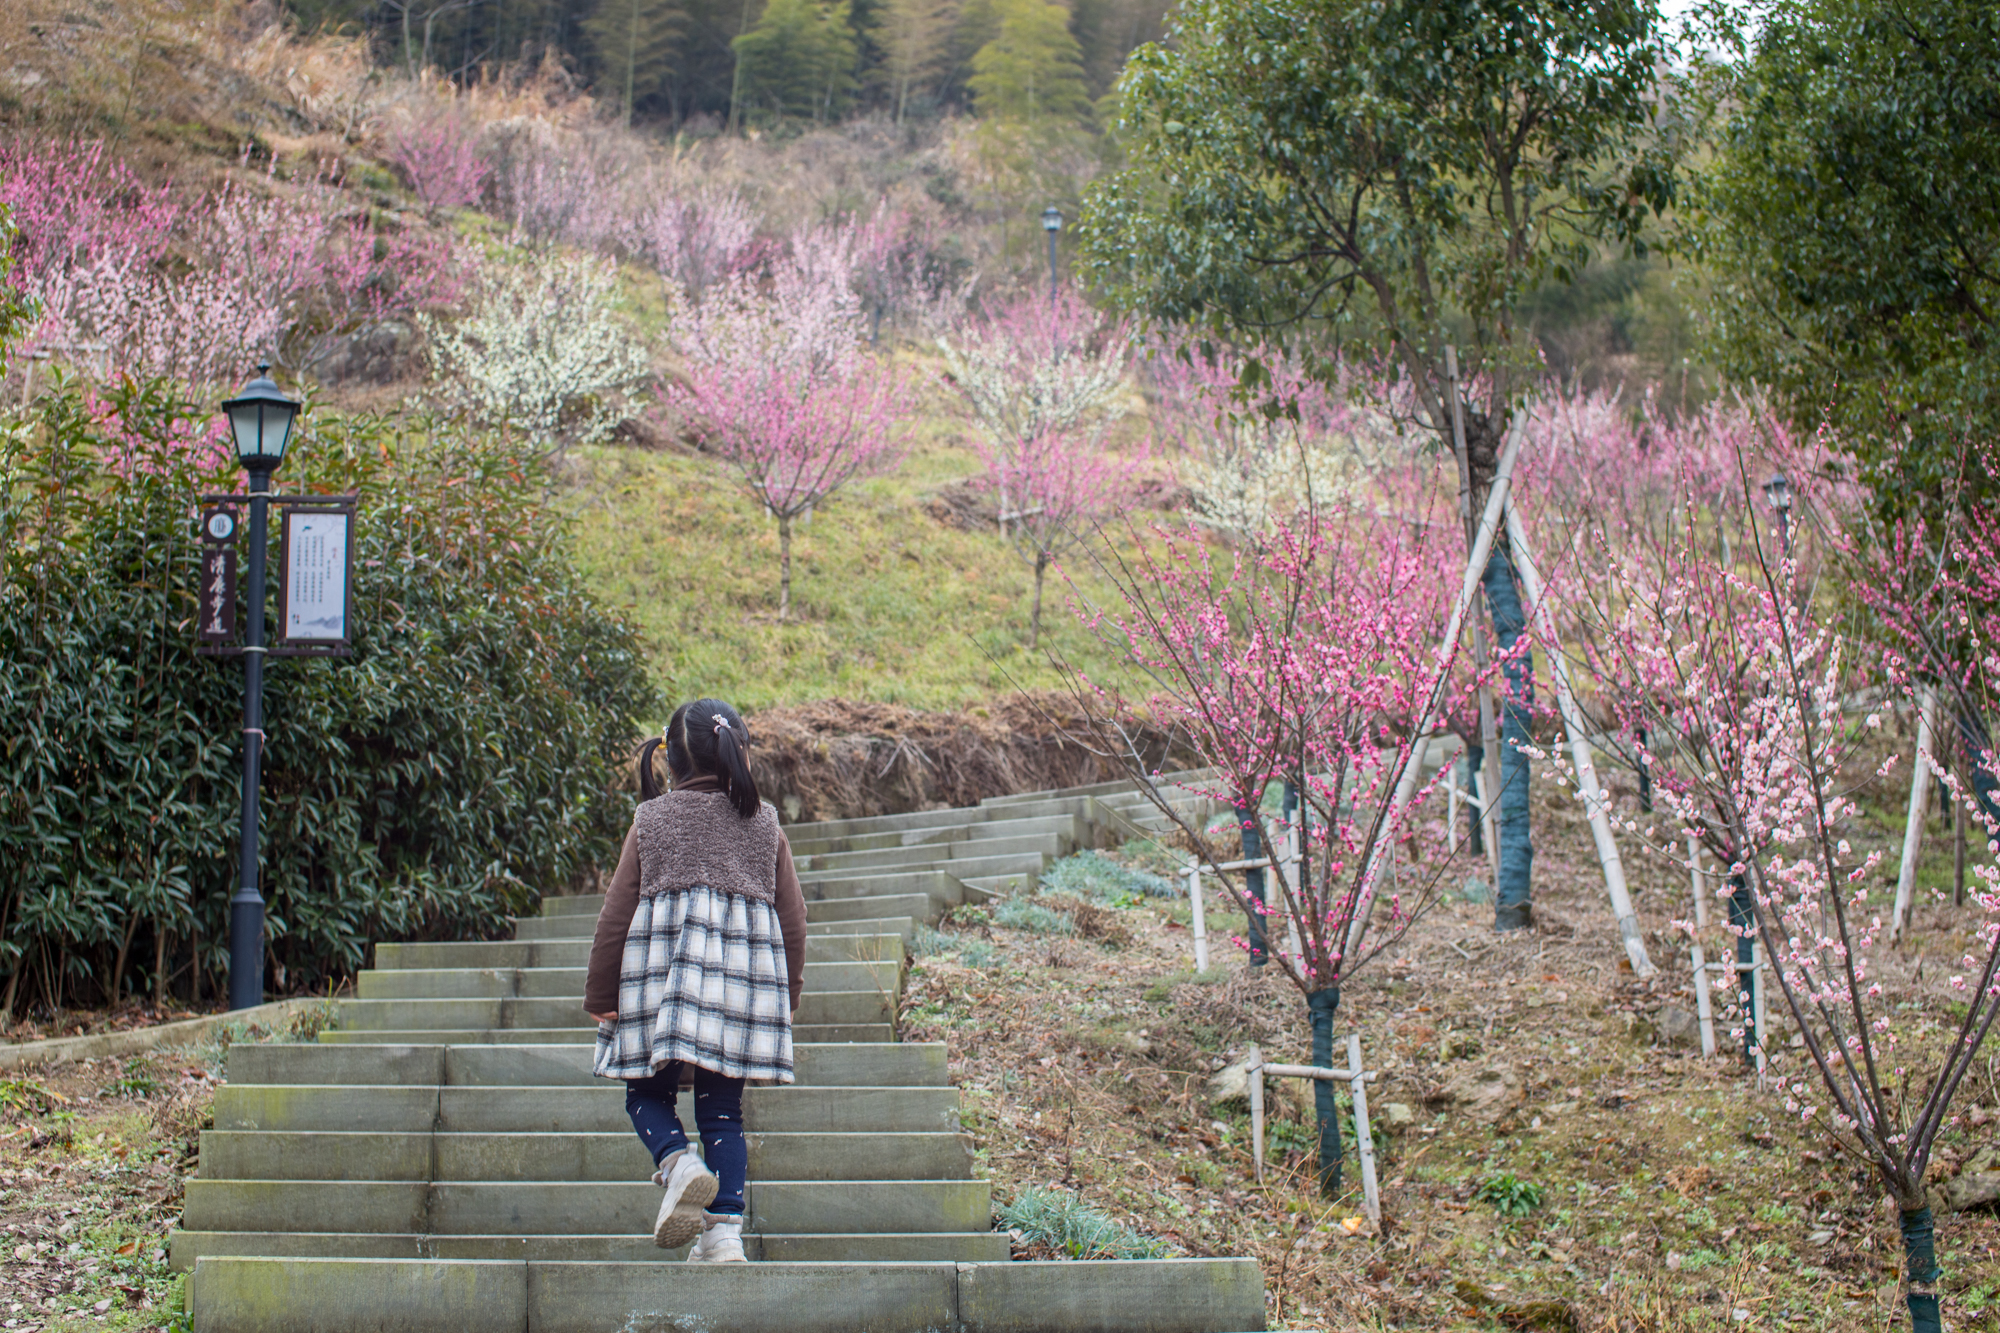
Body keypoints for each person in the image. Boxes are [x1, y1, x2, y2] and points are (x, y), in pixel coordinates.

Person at [584, 699, 807, 1262]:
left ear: (671, 762)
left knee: (644, 1096)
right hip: (740, 991)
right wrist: (789, 993)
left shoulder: (652, 820)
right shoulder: (764, 824)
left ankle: (678, 1163)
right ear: (739, 752)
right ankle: (724, 1234)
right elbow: (792, 916)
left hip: (660, 986)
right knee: (723, 1111)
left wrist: (600, 994)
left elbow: (615, 914)